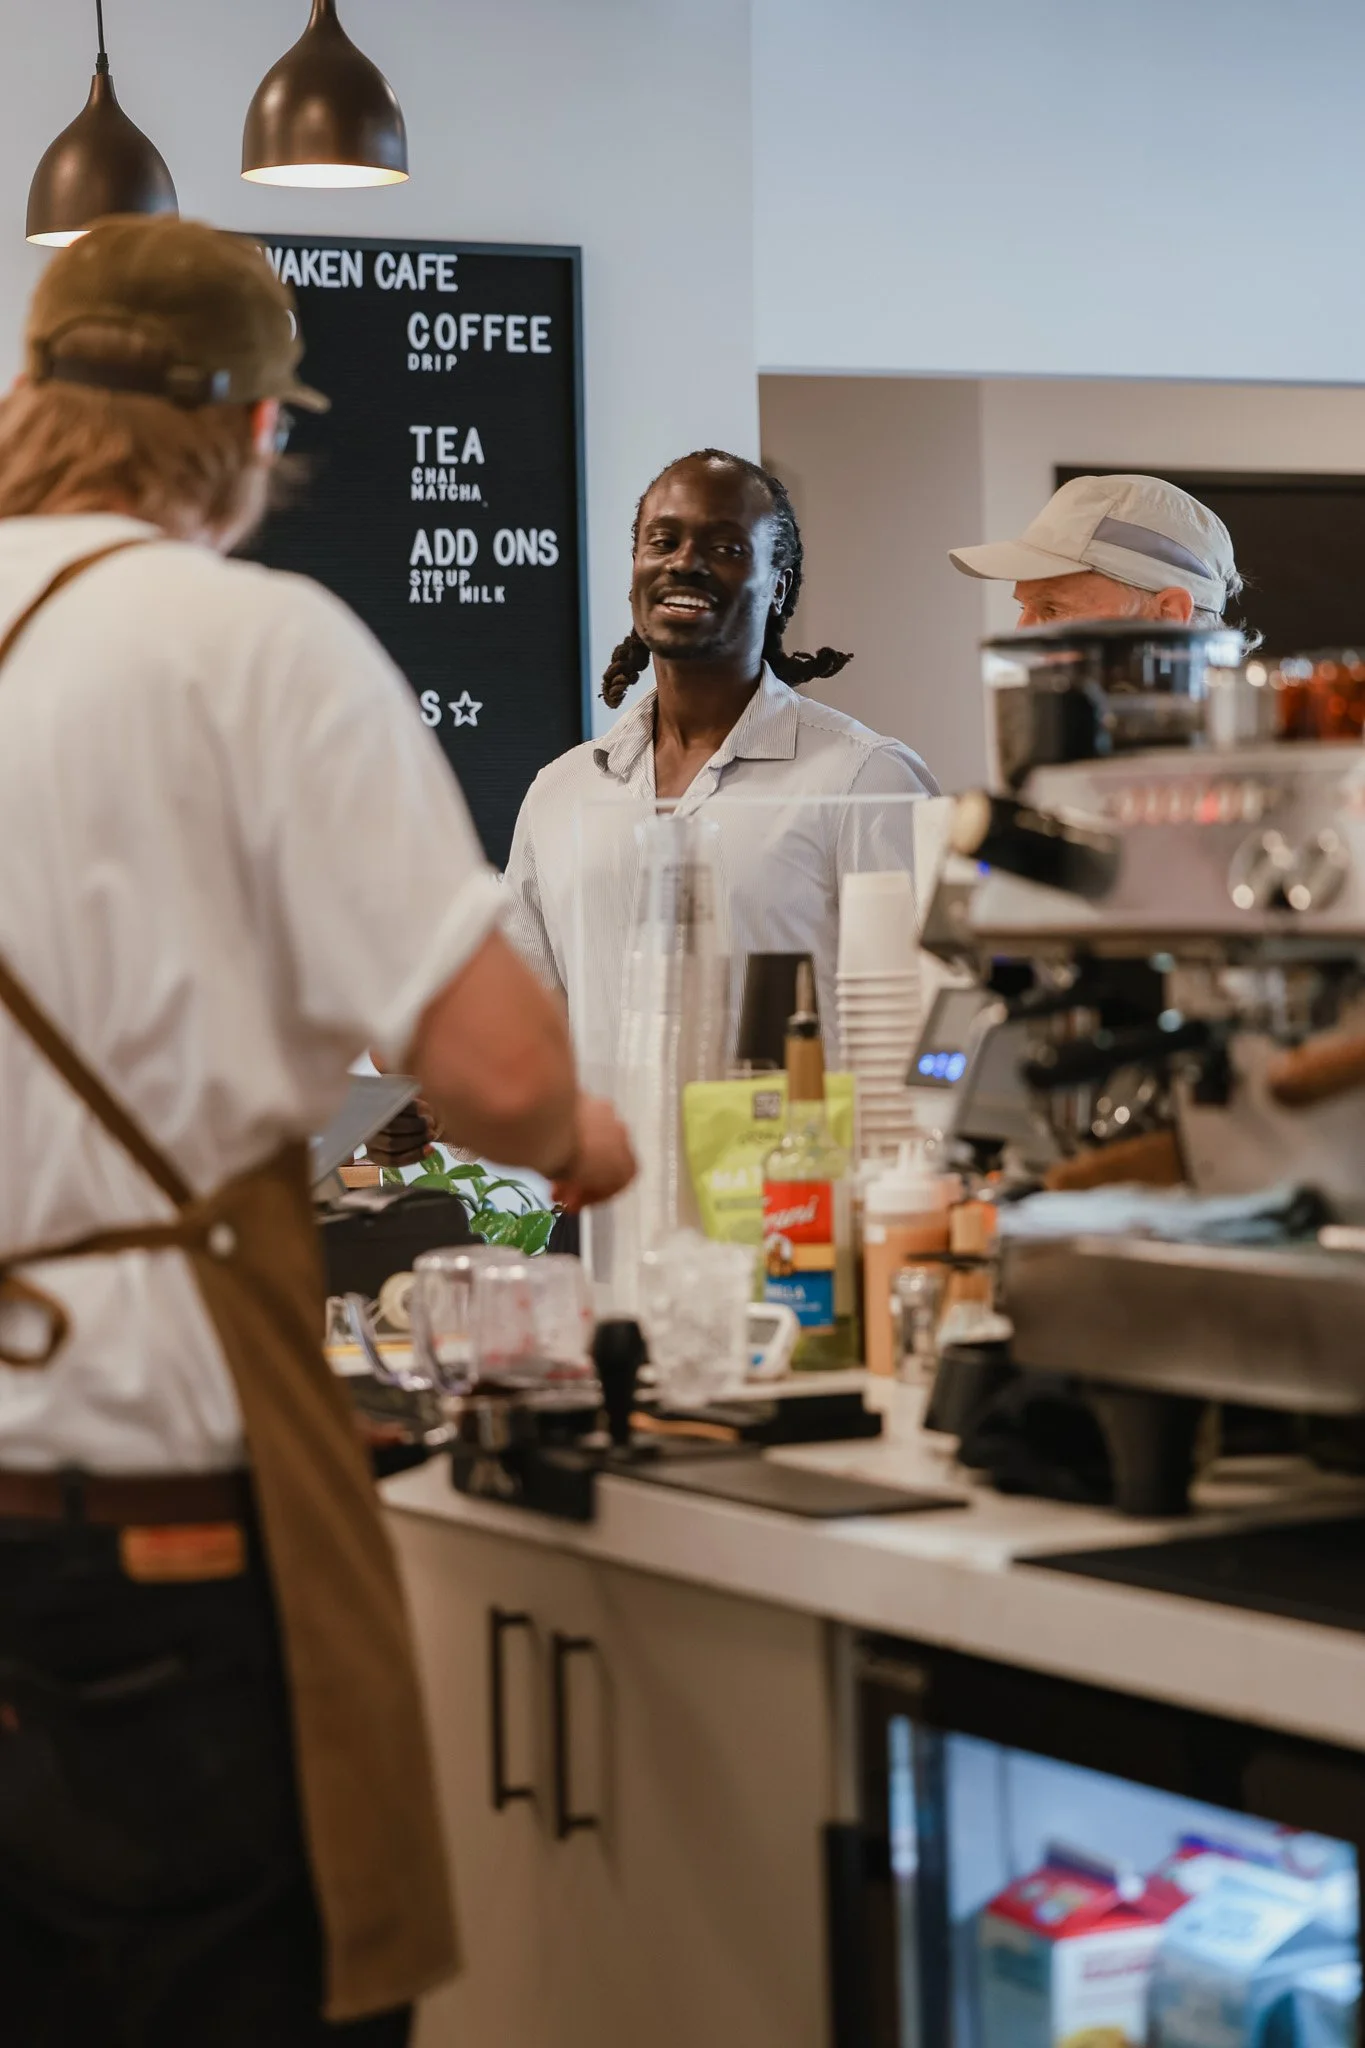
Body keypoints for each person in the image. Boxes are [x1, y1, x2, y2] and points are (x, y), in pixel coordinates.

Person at [0, 216, 634, 2047]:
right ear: (259, 430)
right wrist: (590, 1136)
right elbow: (498, 1074)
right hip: (152, 1538)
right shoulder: (255, 645)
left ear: (33, 388)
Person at [503, 448, 939, 1071]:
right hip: (615, 1173)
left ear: (778, 584)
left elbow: (926, 1029)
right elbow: (528, 1044)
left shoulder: (865, 780)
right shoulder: (562, 793)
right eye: (663, 541)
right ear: (635, 571)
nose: (685, 562)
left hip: (795, 1168)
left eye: (727, 548)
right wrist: (432, 1103)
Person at [949, 472, 1246, 631]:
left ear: (1167, 616)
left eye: (1053, 610)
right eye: (1023, 608)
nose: (1021, 632)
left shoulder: (1249, 744)